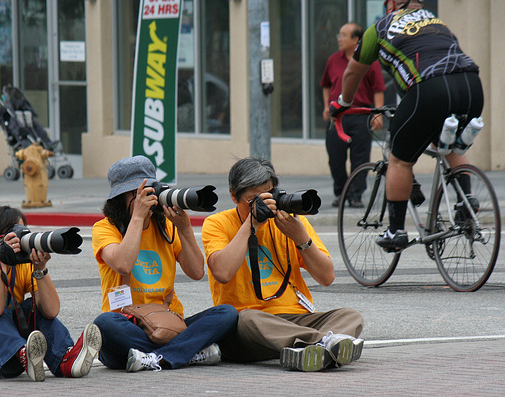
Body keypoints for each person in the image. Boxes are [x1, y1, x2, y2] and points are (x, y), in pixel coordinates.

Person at [330, 0, 483, 251]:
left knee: (400, 160)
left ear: (391, 3)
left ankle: (396, 231)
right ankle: (465, 201)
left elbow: (352, 74)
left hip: (429, 88)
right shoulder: (434, 20)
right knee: (451, 141)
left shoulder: (380, 27)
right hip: (471, 85)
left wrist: (343, 103)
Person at [201, 157, 364, 372]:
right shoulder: (217, 223)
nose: (264, 205)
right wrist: (251, 224)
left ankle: (311, 348)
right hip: (250, 330)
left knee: (350, 315)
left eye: (268, 196)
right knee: (246, 318)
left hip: (294, 321)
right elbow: (222, 272)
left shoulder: (291, 221)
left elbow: (326, 277)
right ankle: (325, 343)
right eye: (254, 200)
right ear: (233, 196)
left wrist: (301, 239)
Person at [91, 155, 238, 372]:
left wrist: (185, 228)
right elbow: (123, 264)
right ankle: (185, 353)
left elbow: (197, 271)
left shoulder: (166, 227)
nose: (146, 198)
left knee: (227, 313)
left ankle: (155, 358)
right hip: (129, 325)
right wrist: (138, 219)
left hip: (169, 323)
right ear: (120, 197)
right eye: (138, 193)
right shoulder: (105, 228)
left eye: (149, 191)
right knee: (104, 324)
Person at [0, 205, 102, 381]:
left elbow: (51, 310)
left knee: (32, 307)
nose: (22, 239)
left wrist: (40, 269)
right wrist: (1, 261)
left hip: (1, 355)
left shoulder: (21, 267)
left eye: (24, 232)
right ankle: (22, 352)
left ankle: (66, 360)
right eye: (16, 234)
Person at [321, 22, 385, 208]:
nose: (339, 39)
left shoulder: (369, 61)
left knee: (360, 157)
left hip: (360, 115)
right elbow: (326, 84)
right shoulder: (333, 59)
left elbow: (378, 89)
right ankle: (341, 193)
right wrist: (327, 107)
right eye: (339, 34)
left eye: (343, 35)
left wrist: (378, 114)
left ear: (356, 39)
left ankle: (356, 195)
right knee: (335, 158)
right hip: (337, 116)